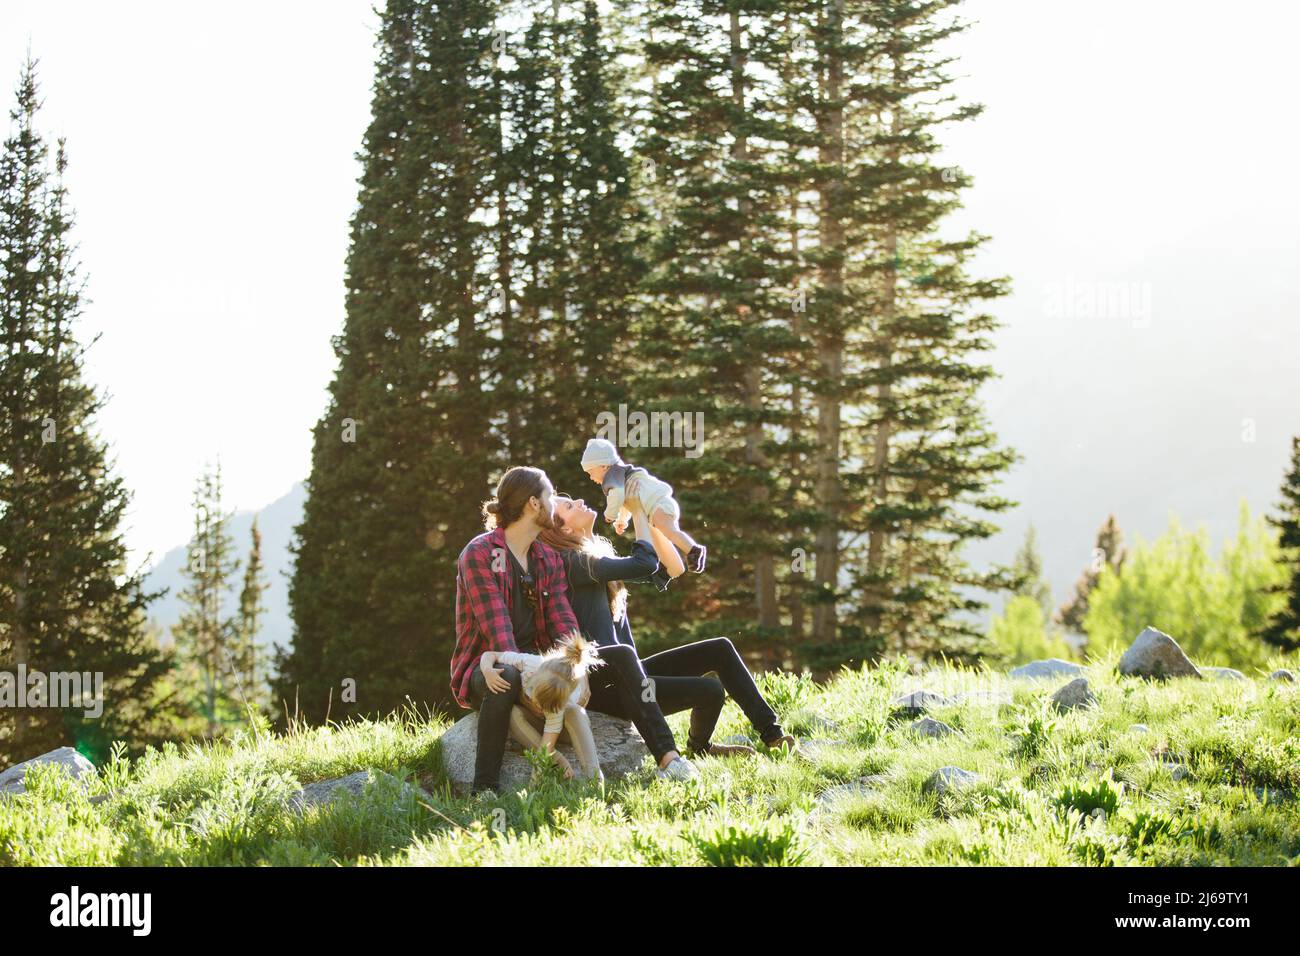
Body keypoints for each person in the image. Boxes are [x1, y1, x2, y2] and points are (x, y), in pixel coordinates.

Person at [451, 465, 699, 794]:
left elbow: (565, 625)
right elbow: (500, 637)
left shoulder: (545, 559)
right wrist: (542, 675)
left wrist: (575, 667)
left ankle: (670, 761)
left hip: (543, 666)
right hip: (495, 666)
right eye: (550, 497)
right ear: (533, 505)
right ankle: (485, 790)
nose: (555, 504)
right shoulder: (481, 554)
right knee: (507, 678)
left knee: (622, 655)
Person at [540, 493, 800, 758]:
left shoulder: (596, 553)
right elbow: (643, 563)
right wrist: (638, 513)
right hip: (608, 688)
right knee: (710, 691)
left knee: (720, 649)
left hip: (631, 672)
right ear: (566, 529)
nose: (581, 501)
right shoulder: (571, 563)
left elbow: (671, 568)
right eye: (570, 506)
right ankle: (700, 749)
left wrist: (655, 523)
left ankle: (773, 736)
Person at [479, 633, 605, 782]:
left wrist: (535, 782)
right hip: (537, 724)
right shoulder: (531, 663)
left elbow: (547, 745)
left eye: (544, 705)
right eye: (538, 698)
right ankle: (558, 759)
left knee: (574, 711)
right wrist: (487, 671)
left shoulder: (559, 702)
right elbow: (490, 654)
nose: (538, 705)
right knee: (512, 713)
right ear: (536, 675)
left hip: (565, 730)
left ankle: (595, 779)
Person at [580, 437, 706, 577]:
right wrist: (622, 520)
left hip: (658, 504)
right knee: (668, 531)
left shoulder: (613, 476)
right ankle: (690, 552)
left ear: (603, 466)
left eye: (590, 472)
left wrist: (610, 515)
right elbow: (625, 501)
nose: (590, 477)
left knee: (669, 531)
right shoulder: (621, 476)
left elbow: (617, 497)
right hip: (658, 505)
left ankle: (693, 550)